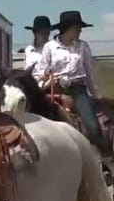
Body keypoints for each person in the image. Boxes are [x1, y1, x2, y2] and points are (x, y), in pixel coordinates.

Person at [34, 10, 109, 155]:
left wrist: (94, 94)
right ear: (69, 28)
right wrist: (41, 86)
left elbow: (89, 74)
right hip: (54, 88)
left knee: (92, 126)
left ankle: (100, 160)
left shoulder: (83, 47)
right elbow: (40, 72)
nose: (80, 30)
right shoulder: (49, 47)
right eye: (78, 27)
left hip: (77, 90)